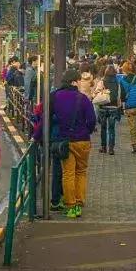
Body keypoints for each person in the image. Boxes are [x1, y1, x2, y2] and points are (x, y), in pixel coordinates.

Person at [49, 69, 96, 219]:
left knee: (68, 173)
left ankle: (71, 205)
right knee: (81, 172)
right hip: (82, 141)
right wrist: (86, 131)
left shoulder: (55, 96)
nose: (81, 82)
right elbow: (92, 120)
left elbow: (46, 117)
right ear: (74, 82)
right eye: (79, 80)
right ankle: (79, 203)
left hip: (66, 141)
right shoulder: (83, 99)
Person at [97, 65, 122, 155]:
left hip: (103, 107)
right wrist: (119, 106)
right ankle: (111, 148)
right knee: (112, 128)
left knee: (103, 128)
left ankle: (103, 147)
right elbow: (119, 95)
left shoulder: (102, 82)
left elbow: (97, 92)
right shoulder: (117, 82)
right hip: (113, 107)